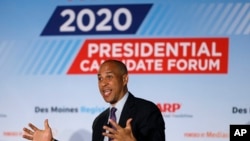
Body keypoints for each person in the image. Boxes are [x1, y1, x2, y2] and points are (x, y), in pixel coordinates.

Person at [22, 59, 165, 141]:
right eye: (99, 78)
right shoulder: (100, 121)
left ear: (124, 79)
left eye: (109, 76)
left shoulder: (147, 111)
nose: (103, 83)